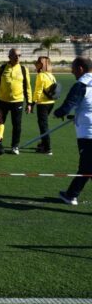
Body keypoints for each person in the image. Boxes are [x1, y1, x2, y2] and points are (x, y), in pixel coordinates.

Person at [55, 57, 92, 206]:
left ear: (81, 69)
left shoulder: (81, 85)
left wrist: (57, 113)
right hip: (87, 129)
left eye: (73, 68)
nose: (72, 71)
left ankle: (71, 195)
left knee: (86, 167)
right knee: (88, 167)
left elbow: (66, 107)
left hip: (88, 133)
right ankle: (71, 194)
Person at [0, 48, 33, 155]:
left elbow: (27, 87)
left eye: (19, 55)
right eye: (15, 55)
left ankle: (15, 146)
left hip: (17, 101)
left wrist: (29, 103)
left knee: (17, 125)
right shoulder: (3, 68)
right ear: (9, 57)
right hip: (2, 101)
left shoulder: (23, 69)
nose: (17, 57)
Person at [33, 56, 58, 155]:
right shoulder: (51, 75)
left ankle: (47, 148)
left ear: (41, 64)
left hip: (42, 103)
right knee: (44, 124)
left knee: (43, 126)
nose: (36, 64)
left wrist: (34, 101)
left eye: (37, 63)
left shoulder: (40, 75)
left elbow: (38, 90)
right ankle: (43, 144)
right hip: (51, 103)